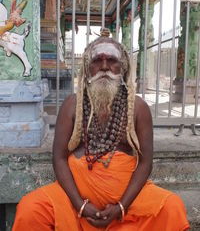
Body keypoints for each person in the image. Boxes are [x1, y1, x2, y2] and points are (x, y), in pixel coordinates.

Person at [12, 29, 190, 231]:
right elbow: (59, 158)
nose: (104, 67)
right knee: (30, 208)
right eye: (97, 61)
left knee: (172, 207)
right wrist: (80, 206)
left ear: (122, 68)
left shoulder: (138, 108)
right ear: (87, 69)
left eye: (112, 60)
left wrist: (121, 207)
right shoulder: (72, 105)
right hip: (75, 202)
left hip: (127, 205)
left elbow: (145, 163)